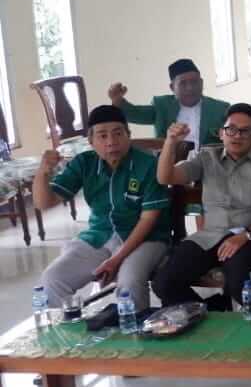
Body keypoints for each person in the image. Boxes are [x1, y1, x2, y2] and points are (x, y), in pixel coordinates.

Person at [31, 105, 170, 310]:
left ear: (128, 135)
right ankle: (67, 330)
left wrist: (116, 259)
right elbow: (43, 203)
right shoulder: (84, 163)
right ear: (91, 141)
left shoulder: (148, 165)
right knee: (52, 279)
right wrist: (43, 170)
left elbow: (148, 220)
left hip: (146, 239)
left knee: (129, 281)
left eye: (118, 133)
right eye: (102, 136)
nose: (111, 142)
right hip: (99, 236)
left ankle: (135, 329)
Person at [152, 104, 251, 309]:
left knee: (239, 284)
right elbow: (165, 177)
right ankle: (210, 311)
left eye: (245, 131)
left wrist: (246, 235)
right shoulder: (206, 158)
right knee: (164, 283)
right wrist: (171, 142)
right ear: (221, 133)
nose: (237, 136)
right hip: (210, 236)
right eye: (231, 129)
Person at [109, 58, 229, 148]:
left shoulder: (220, 108)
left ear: (201, 83)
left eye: (194, 82)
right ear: (172, 87)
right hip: (170, 166)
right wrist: (117, 100)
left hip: (209, 167)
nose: (190, 88)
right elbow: (134, 114)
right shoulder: (162, 106)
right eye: (183, 83)